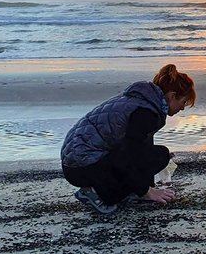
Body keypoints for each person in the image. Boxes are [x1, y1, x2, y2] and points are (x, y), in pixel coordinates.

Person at [61, 64, 196, 214]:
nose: (182, 108)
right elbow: (129, 154)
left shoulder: (141, 100)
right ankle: (95, 192)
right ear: (172, 96)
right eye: (183, 102)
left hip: (76, 161)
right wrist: (146, 191)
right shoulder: (146, 112)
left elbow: (139, 146)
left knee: (156, 155)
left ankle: (124, 189)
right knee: (158, 156)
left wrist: (146, 185)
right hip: (82, 166)